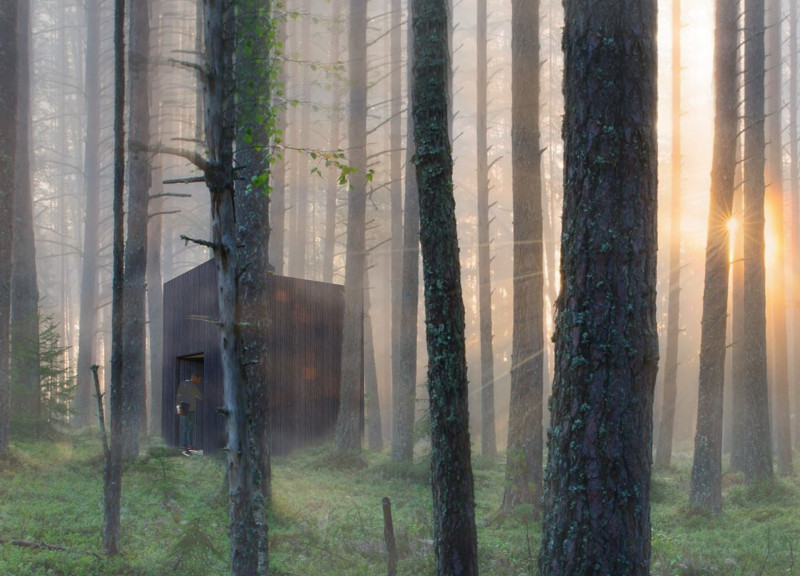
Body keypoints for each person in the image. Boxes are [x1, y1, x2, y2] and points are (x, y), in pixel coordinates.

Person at [176, 373, 202, 455]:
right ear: (194, 377)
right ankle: (184, 447)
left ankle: (190, 446)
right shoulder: (184, 384)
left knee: (191, 428)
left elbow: (199, 395)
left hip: (192, 410)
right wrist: (178, 408)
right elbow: (179, 396)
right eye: (198, 379)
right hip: (184, 409)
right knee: (185, 428)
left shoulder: (194, 386)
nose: (199, 381)